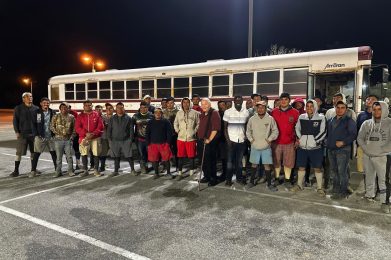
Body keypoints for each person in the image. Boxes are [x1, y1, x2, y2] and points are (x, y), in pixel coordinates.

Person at [357, 101, 391, 213]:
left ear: (384, 109)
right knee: (369, 177)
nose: (376, 112)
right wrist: (366, 149)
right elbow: (360, 138)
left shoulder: (389, 123)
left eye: (379, 109)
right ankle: (369, 196)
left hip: (382, 157)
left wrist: (382, 150)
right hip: (368, 155)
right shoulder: (367, 123)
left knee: (383, 180)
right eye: (374, 109)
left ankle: (384, 202)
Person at [291, 99, 327, 196]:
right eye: (307, 106)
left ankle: (319, 188)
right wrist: (300, 138)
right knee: (301, 167)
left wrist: (315, 141)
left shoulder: (321, 117)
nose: (309, 108)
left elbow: (323, 132)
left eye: (311, 106)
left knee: (317, 168)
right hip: (303, 148)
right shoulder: (302, 116)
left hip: (316, 148)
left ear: (315, 107)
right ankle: (299, 185)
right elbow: (297, 128)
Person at [326, 101, 357, 199]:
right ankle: (335, 188)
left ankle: (343, 192)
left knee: (342, 172)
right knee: (334, 171)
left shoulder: (349, 121)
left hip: (343, 150)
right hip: (331, 149)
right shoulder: (331, 120)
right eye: (338, 107)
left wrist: (343, 142)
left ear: (346, 109)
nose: (339, 109)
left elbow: (353, 135)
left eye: (342, 107)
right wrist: (327, 142)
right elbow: (328, 134)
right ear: (335, 108)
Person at [246, 101, 279, 190]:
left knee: (266, 165)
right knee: (254, 164)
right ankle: (251, 182)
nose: (260, 109)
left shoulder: (270, 118)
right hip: (255, 145)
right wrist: (251, 140)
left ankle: (269, 184)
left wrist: (269, 139)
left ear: (265, 108)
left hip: (266, 146)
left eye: (262, 107)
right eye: (259, 107)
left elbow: (275, 131)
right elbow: (248, 131)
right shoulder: (252, 119)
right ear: (256, 108)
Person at [271, 92, 299, 188]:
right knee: (276, 162)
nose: (283, 101)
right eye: (281, 99)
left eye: (286, 99)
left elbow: (298, 128)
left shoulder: (295, 112)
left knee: (288, 162)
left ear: (289, 100)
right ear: (279, 100)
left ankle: (287, 180)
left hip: (289, 142)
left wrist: (297, 140)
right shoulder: (273, 112)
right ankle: (277, 178)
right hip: (276, 142)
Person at [10, 92, 39, 177]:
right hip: (22, 134)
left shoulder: (36, 108)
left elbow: (39, 121)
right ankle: (16, 170)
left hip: (34, 134)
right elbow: (15, 121)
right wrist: (17, 131)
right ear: (23, 99)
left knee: (34, 152)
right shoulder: (18, 108)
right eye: (27, 97)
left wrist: (39, 132)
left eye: (31, 96)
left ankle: (33, 169)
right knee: (19, 153)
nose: (30, 98)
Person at [223, 95, 249, 185]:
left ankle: (239, 179)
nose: (238, 101)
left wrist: (245, 138)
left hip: (241, 140)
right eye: (236, 100)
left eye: (240, 100)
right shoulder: (228, 112)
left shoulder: (246, 112)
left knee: (239, 162)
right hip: (231, 140)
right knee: (230, 162)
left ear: (242, 101)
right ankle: (228, 180)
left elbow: (246, 126)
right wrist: (228, 141)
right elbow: (225, 128)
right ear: (234, 101)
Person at [75, 100, 104, 177]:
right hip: (84, 138)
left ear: (92, 106)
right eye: (86, 105)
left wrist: (93, 133)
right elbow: (77, 128)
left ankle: (96, 170)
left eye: (89, 105)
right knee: (84, 154)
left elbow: (100, 126)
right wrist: (86, 134)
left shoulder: (97, 114)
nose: (88, 106)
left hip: (95, 138)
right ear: (83, 106)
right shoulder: (80, 115)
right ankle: (85, 171)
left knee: (96, 154)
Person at [29, 97, 57, 177]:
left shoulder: (52, 112)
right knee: (36, 154)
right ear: (41, 104)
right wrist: (37, 135)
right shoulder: (36, 112)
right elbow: (33, 125)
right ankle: (33, 171)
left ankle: (57, 170)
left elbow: (55, 124)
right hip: (40, 137)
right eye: (44, 103)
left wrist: (55, 134)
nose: (46, 104)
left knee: (54, 153)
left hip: (51, 137)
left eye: (47, 103)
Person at [107, 102, 136, 177]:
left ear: (124, 108)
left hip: (126, 140)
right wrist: (109, 139)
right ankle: (116, 171)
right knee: (116, 156)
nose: (120, 109)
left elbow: (131, 130)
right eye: (118, 107)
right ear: (116, 109)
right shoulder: (112, 118)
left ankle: (133, 170)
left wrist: (131, 139)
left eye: (121, 107)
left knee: (129, 156)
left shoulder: (128, 118)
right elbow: (109, 129)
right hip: (115, 141)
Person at [197, 98, 221, 186]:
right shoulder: (202, 113)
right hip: (201, 140)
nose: (203, 106)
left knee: (210, 161)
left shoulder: (214, 113)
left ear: (210, 105)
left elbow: (215, 128)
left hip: (209, 142)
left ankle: (213, 178)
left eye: (205, 104)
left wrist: (209, 139)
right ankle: (206, 176)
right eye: (202, 104)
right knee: (202, 161)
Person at [174, 97, 199, 180]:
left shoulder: (195, 113)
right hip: (180, 139)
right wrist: (178, 131)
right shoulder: (179, 113)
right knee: (180, 156)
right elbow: (175, 123)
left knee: (191, 157)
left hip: (191, 139)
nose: (185, 104)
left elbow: (198, 123)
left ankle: (191, 172)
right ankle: (180, 173)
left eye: (187, 102)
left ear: (190, 103)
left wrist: (194, 131)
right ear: (182, 104)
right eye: (184, 102)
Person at [146, 108, 173, 179]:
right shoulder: (150, 122)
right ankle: (156, 173)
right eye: (156, 112)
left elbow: (169, 133)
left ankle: (168, 173)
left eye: (159, 112)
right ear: (154, 114)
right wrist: (148, 143)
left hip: (164, 144)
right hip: (153, 144)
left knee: (166, 159)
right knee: (154, 160)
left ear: (161, 113)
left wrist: (168, 143)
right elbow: (147, 133)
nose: (158, 114)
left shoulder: (166, 121)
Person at [50, 103, 76, 177]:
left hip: (68, 140)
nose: (64, 109)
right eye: (62, 107)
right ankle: (58, 172)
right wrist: (57, 133)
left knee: (69, 157)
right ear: (60, 109)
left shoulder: (72, 117)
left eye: (66, 107)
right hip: (58, 140)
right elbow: (52, 126)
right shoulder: (55, 116)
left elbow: (74, 128)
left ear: (68, 108)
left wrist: (72, 137)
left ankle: (70, 171)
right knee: (58, 157)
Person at [356, 95, 378, 174]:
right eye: (368, 99)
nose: (370, 101)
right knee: (363, 170)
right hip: (363, 146)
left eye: (373, 99)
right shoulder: (361, 115)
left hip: (376, 146)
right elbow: (357, 130)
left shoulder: (380, 115)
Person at [132, 101, 154, 174]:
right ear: (140, 108)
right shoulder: (135, 116)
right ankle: (143, 167)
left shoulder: (152, 116)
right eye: (141, 107)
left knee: (149, 154)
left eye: (145, 107)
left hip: (150, 139)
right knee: (141, 154)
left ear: (148, 108)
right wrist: (132, 137)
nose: (143, 109)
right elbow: (131, 127)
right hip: (139, 139)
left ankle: (150, 165)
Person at [163, 97, 179, 168]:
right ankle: (166, 165)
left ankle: (178, 165)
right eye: (168, 103)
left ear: (174, 104)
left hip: (175, 134)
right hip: (165, 135)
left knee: (176, 149)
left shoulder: (178, 112)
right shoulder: (162, 112)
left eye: (171, 103)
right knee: (166, 150)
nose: (170, 104)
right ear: (166, 104)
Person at [99, 103, 114, 171]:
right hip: (104, 137)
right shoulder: (103, 117)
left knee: (116, 152)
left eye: (110, 108)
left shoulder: (116, 117)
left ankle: (117, 166)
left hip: (114, 138)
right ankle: (102, 166)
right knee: (103, 152)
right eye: (107, 108)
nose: (109, 110)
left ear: (113, 109)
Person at [217, 100, 228, 181]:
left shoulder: (229, 113)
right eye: (219, 105)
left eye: (223, 105)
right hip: (220, 139)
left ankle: (226, 174)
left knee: (226, 158)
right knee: (222, 157)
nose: (221, 107)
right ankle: (224, 172)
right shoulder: (217, 114)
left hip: (228, 139)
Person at [68, 105, 81, 170]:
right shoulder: (61, 115)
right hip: (67, 136)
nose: (67, 109)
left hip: (75, 134)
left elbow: (77, 124)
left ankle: (78, 164)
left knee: (77, 150)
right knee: (68, 151)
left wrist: (75, 133)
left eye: (68, 108)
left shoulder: (74, 113)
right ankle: (70, 166)